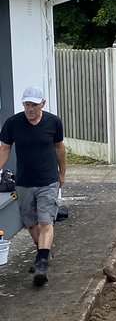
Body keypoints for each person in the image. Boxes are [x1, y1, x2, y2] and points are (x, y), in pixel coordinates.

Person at [0, 86, 66, 286]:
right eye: (27, 104)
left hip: (48, 180)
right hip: (24, 183)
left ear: (42, 104)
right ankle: (43, 252)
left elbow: (59, 148)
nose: (30, 109)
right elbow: (5, 148)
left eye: (34, 105)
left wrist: (62, 173)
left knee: (46, 222)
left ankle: (41, 263)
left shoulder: (53, 122)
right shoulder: (13, 124)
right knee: (31, 223)